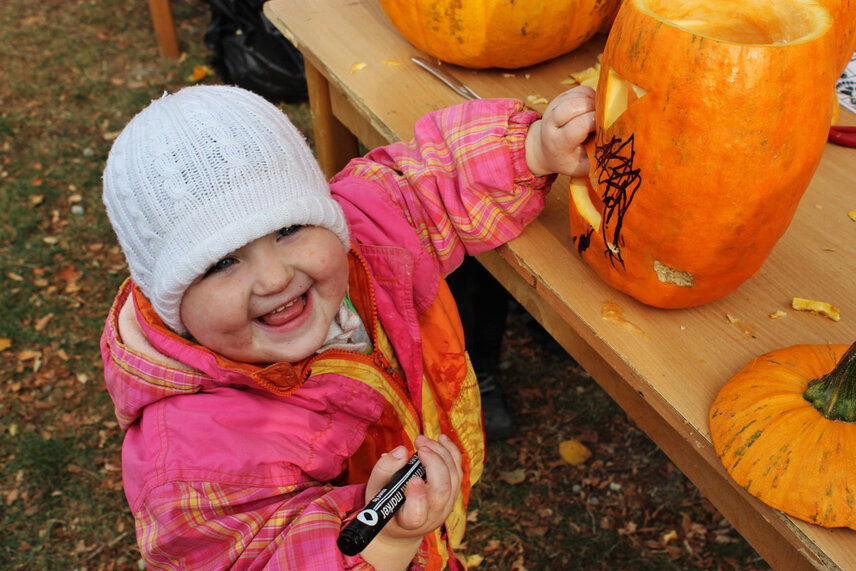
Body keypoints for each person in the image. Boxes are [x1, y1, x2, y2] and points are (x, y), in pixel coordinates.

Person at [100, 83, 595, 570]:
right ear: (174, 303)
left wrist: (535, 148)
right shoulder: (192, 461)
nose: (275, 276)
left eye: (288, 230)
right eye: (223, 262)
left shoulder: (364, 238)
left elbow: (429, 180)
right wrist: (384, 542)